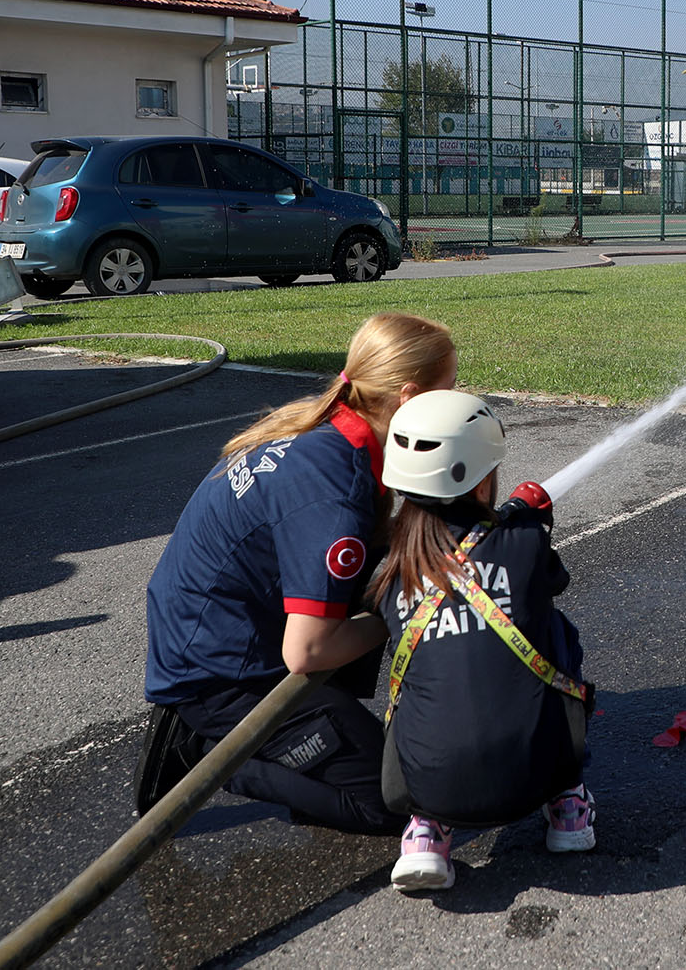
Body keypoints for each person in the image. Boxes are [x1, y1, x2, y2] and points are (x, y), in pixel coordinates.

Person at [135, 312, 457, 833]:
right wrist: (405, 611)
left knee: (386, 574)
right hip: (218, 675)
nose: (457, 399)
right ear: (409, 397)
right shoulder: (334, 494)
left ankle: (314, 720)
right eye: (450, 389)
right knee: (393, 801)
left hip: (210, 630)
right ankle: (208, 752)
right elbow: (305, 652)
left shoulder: (330, 426)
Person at [373, 389, 595, 892]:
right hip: (534, 776)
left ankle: (426, 834)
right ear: (480, 486)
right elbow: (553, 582)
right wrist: (529, 518)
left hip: (431, 787)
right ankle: (567, 807)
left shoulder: (387, 573)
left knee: (426, 678)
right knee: (558, 634)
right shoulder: (525, 542)